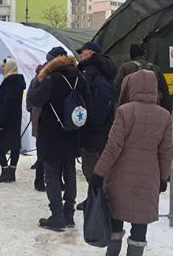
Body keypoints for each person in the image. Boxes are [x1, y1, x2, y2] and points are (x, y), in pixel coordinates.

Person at [90, 69, 173, 256]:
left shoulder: (125, 111)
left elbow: (113, 146)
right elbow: (166, 151)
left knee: (116, 211)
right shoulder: (164, 116)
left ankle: (112, 255)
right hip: (149, 175)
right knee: (140, 217)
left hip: (120, 173)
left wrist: (99, 172)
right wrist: (164, 177)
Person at [27, 53, 92, 231]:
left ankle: (57, 215)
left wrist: (39, 80)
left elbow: (35, 99)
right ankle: (69, 214)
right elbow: (89, 104)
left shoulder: (51, 79)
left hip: (51, 134)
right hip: (72, 132)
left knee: (51, 174)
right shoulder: (80, 79)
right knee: (69, 171)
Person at [76, 41, 118, 210]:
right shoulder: (108, 70)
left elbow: (82, 97)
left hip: (91, 127)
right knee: (102, 165)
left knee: (90, 166)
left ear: (91, 53)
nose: (80, 55)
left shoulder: (89, 71)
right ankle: (96, 199)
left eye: (83, 52)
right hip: (106, 125)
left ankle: (97, 202)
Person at [29, 47, 68, 192]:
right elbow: (32, 97)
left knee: (49, 151)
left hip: (44, 117)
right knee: (44, 152)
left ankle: (50, 180)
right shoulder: (45, 74)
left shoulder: (46, 73)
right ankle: (40, 181)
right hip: (44, 118)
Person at [0, 58, 27, 183]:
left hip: (6, 120)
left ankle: (6, 171)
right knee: (14, 145)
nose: (1, 68)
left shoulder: (10, 82)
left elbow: (6, 103)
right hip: (14, 119)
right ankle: (11, 171)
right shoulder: (16, 82)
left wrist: (0, 122)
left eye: (3, 66)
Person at [114, 43, 171, 110]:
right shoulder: (155, 68)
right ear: (143, 54)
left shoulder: (125, 68)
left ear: (131, 55)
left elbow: (116, 89)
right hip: (154, 108)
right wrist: (167, 109)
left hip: (131, 109)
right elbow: (165, 91)